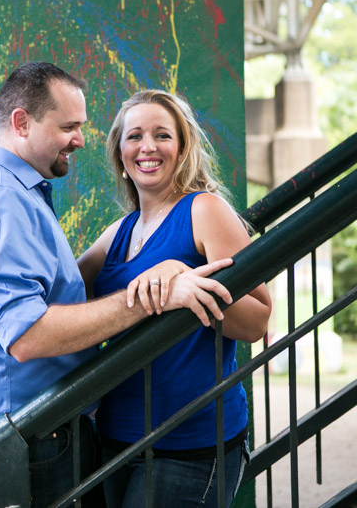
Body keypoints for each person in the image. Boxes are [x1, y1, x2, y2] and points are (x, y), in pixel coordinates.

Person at [0, 63, 236, 507]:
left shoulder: (18, 193)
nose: (79, 139)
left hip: (40, 429)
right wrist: (155, 297)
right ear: (21, 123)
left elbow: (67, 286)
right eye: (69, 126)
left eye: (82, 126)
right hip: (20, 436)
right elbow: (27, 333)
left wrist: (167, 266)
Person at [76, 89, 272, 507]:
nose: (147, 147)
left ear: (182, 148)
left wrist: (180, 282)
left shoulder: (204, 210)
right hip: (115, 440)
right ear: (121, 154)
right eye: (135, 136)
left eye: (162, 135)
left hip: (190, 443)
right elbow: (66, 293)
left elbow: (257, 319)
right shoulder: (118, 232)